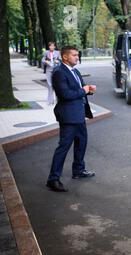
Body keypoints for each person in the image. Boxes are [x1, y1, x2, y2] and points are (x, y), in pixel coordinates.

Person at [46, 45, 97, 192]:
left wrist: (89, 90)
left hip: (79, 114)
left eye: (77, 55)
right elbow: (65, 95)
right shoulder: (59, 72)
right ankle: (53, 179)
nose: (77, 57)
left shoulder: (75, 71)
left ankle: (78, 170)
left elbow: (79, 90)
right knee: (63, 147)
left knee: (81, 143)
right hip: (68, 116)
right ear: (65, 57)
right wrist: (84, 90)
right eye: (74, 55)